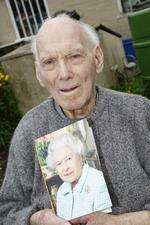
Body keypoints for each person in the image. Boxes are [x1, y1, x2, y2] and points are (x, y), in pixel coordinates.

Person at [0, 13, 150, 225]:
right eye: (49, 62)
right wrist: (37, 218)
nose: (64, 74)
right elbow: (6, 210)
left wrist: (123, 221)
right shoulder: (29, 130)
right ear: (39, 73)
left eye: (75, 56)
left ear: (97, 59)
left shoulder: (138, 112)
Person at [46, 133, 112, 220]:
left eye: (68, 159)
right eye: (59, 164)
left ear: (80, 156)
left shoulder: (100, 181)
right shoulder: (61, 191)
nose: (65, 168)